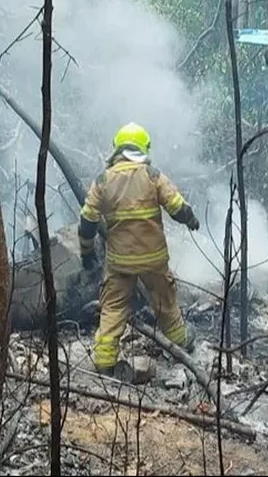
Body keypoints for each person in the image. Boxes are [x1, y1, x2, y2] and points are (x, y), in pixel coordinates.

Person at [78, 122, 201, 374]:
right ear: (144, 147)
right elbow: (177, 207)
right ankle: (180, 341)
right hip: (154, 259)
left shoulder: (103, 180)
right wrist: (191, 220)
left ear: (118, 148)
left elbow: (87, 221)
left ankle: (103, 360)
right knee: (165, 303)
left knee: (112, 308)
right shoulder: (152, 174)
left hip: (119, 261)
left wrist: (87, 252)